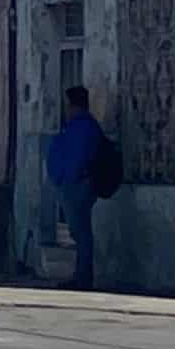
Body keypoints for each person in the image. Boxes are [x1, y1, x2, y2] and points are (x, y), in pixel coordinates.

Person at [46, 86, 103, 289]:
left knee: (81, 232)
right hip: (69, 184)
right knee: (77, 232)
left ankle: (83, 277)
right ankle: (80, 274)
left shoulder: (86, 128)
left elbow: (81, 158)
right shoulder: (74, 127)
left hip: (78, 185)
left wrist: (67, 177)